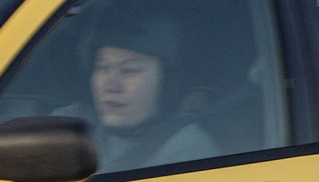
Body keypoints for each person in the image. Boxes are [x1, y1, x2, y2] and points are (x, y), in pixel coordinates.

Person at [70, 16, 220, 173]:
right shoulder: (73, 126)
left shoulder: (186, 150)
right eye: (103, 68)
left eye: (129, 71)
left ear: (165, 82)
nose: (111, 86)